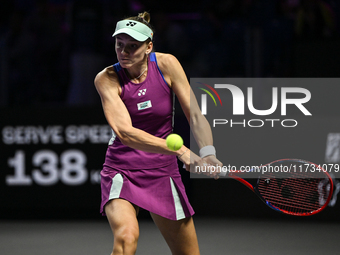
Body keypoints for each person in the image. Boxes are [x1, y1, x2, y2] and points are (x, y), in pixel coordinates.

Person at [94, 11, 222, 255]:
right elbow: (125, 133)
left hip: (163, 172)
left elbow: (195, 114)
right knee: (126, 238)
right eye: (120, 45)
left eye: (133, 46)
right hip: (123, 169)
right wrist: (182, 150)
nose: (124, 52)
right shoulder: (106, 78)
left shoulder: (167, 64)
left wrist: (207, 152)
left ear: (149, 46)